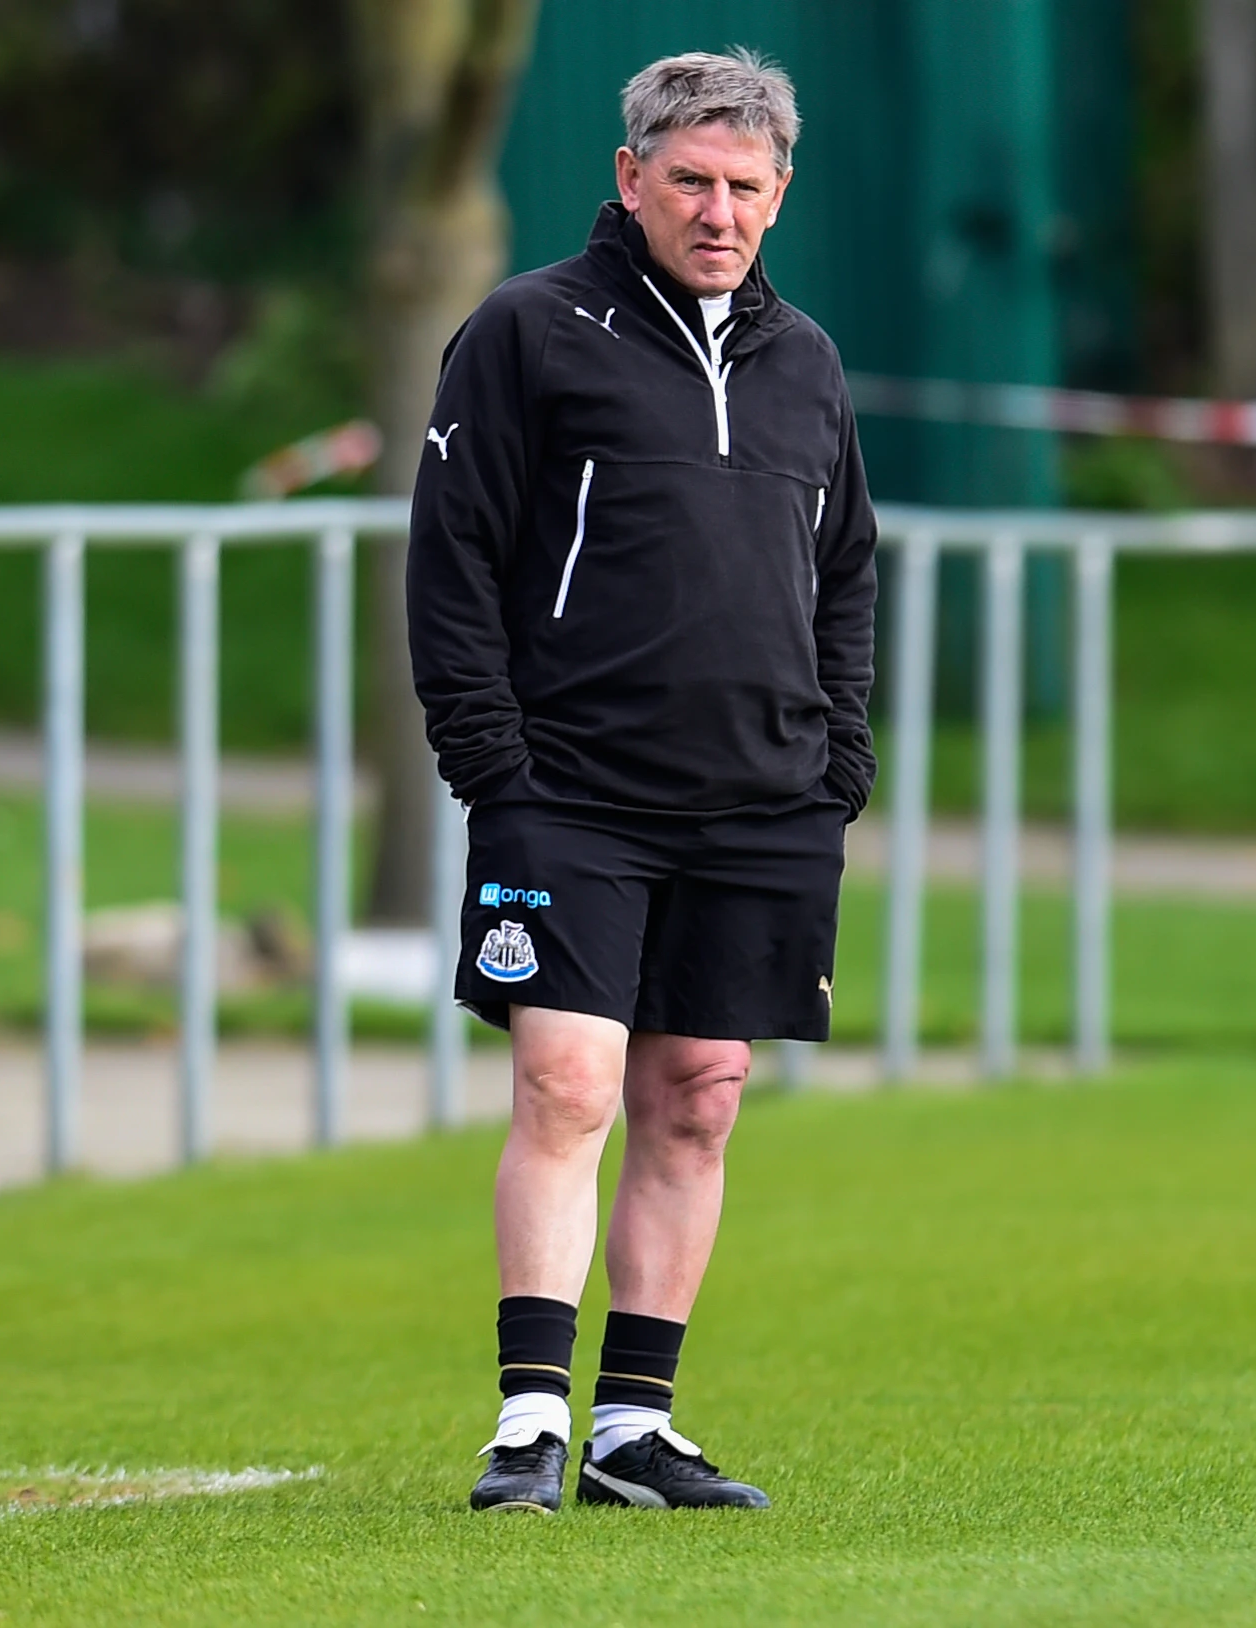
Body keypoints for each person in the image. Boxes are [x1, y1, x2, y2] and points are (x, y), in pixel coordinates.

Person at [408, 47, 877, 1515]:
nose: (718, 211)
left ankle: (633, 1432)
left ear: (780, 194)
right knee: (565, 1080)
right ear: (630, 180)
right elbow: (453, 558)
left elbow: (846, 569)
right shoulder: (528, 330)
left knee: (701, 1099)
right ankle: (528, 1423)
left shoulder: (807, 362)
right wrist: (489, 757)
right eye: (690, 181)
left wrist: (838, 757)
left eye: (745, 187)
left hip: (762, 799)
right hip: (568, 791)